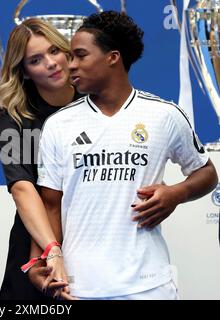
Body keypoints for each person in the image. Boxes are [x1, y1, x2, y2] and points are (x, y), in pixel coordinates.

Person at [35, 11, 218, 299]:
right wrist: (43, 260)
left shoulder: (163, 115)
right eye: (70, 56)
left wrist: (176, 193)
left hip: (149, 287)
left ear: (113, 57)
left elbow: (207, 173)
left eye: (80, 55)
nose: (70, 65)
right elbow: (50, 206)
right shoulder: (59, 124)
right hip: (80, 287)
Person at [0, 18, 84, 299]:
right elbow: (22, 187)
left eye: (54, 51)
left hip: (90, 229)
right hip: (35, 236)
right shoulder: (13, 114)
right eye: (35, 60)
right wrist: (50, 248)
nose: (51, 63)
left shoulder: (94, 97)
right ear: (23, 72)